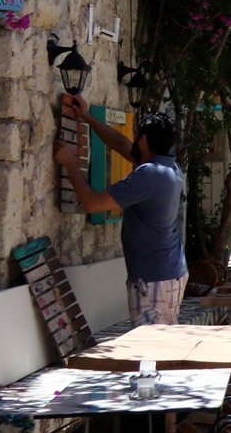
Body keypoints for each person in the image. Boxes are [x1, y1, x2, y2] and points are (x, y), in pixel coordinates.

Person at [53, 96, 187, 325]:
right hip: (170, 272)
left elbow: (93, 204)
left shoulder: (148, 175)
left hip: (153, 282)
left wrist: (70, 163)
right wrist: (86, 117)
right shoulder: (168, 167)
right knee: (163, 349)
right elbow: (120, 144)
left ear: (143, 140)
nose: (132, 141)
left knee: (150, 352)